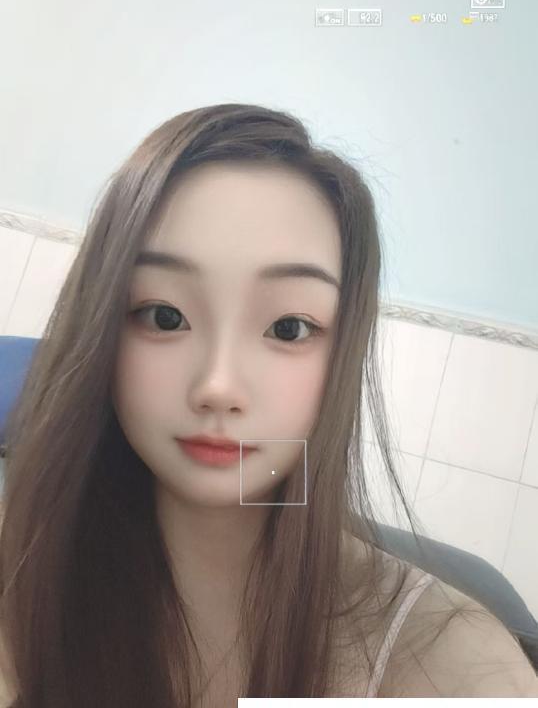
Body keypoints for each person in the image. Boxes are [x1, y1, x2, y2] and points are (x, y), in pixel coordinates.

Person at [0, 104, 536, 707]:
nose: (219, 386)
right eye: (165, 316)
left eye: (288, 328)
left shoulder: (442, 661)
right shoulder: (24, 574)